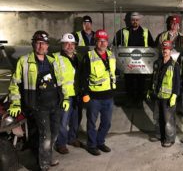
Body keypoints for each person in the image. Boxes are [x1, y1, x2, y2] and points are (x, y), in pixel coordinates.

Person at [8, 30, 67, 170]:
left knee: (55, 133)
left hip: (55, 104)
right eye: (38, 43)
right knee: (45, 136)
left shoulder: (53, 61)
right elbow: (14, 84)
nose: (41, 46)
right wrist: (15, 103)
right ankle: (44, 165)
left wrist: (66, 98)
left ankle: (48, 156)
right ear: (33, 44)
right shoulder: (24, 61)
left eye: (44, 43)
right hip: (38, 106)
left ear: (48, 46)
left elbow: (61, 82)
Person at [81, 29, 116, 156]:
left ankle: (100, 141)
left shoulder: (111, 55)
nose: (102, 43)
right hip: (94, 97)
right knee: (91, 123)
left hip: (108, 96)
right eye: (100, 41)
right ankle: (91, 145)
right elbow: (83, 77)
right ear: (96, 42)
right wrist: (85, 93)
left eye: (105, 41)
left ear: (107, 42)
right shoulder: (89, 56)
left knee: (106, 123)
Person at [113, 12, 155, 107]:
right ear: (130, 21)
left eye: (136, 20)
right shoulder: (123, 32)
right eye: (133, 20)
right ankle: (130, 100)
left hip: (142, 63)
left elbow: (152, 46)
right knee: (129, 82)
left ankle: (139, 101)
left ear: (139, 21)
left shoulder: (145, 32)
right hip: (129, 63)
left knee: (141, 83)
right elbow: (115, 45)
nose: (135, 22)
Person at [147, 40, 180, 147]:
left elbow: (177, 82)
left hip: (168, 97)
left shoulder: (175, 65)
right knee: (157, 117)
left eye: (167, 49)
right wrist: (149, 90)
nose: (164, 51)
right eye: (163, 49)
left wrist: (174, 95)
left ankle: (170, 139)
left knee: (168, 120)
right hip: (157, 95)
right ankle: (159, 134)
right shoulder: (157, 62)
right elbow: (153, 78)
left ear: (170, 50)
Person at [54, 33, 82, 154]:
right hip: (64, 96)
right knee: (63, 121)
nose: (70, 46)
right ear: (62, 45)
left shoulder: (78, 57)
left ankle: (72, 138)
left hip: (77, 94)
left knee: (75, 119)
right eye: (67, 43)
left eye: (72, 44)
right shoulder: (55, 58)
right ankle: (61, 143)